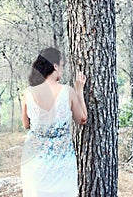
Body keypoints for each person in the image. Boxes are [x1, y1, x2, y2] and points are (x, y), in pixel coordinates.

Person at [20, 47, 87, 197]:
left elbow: (26, 124)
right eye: (62, 65)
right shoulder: (67, 91)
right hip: (61, 162)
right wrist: (79, 90)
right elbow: (82, 119)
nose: (62, 70)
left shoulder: (28, 93)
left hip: (35, 160)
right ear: (55, 66)